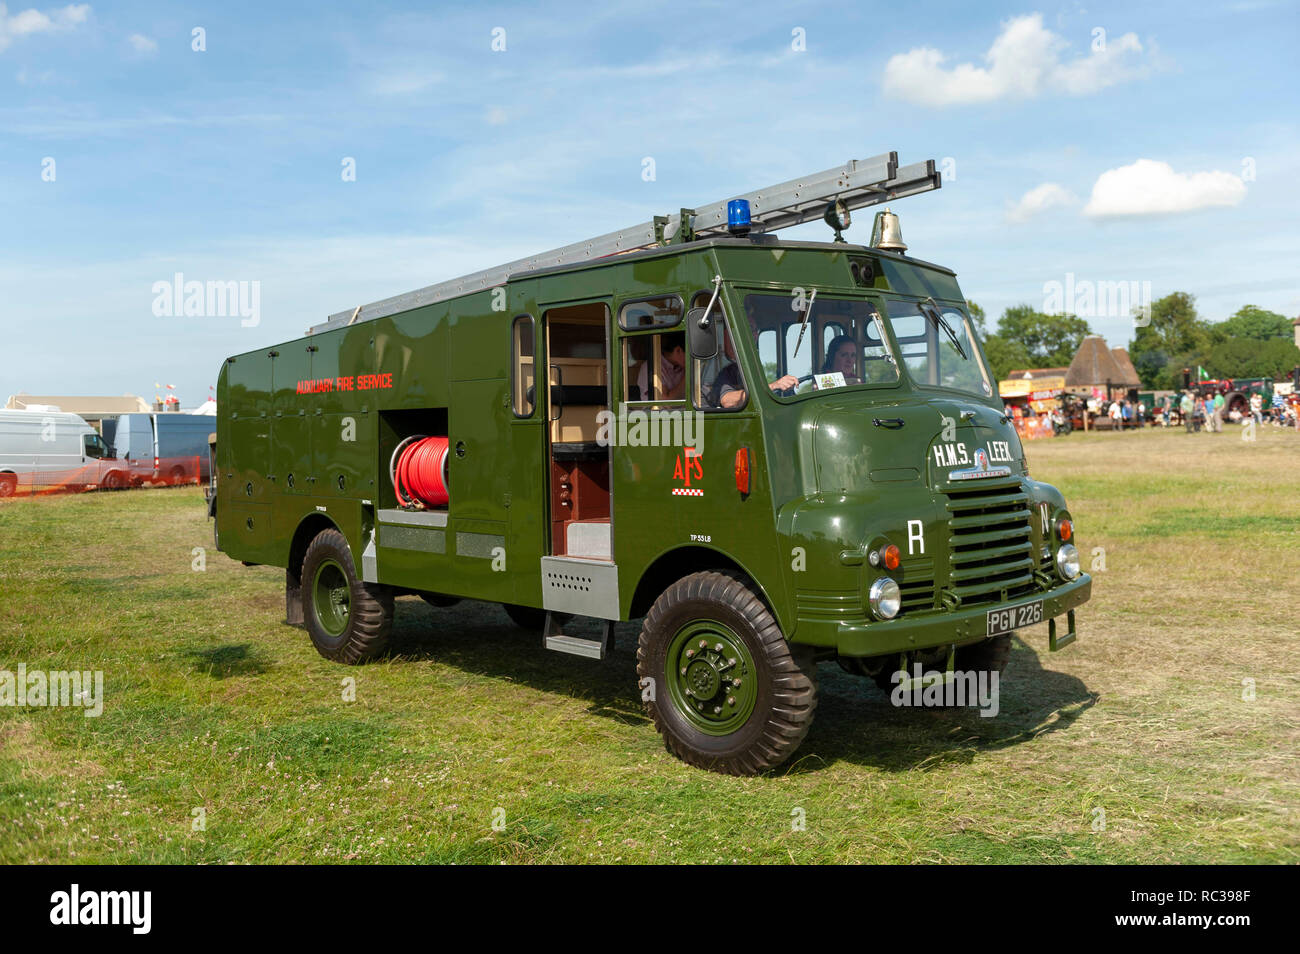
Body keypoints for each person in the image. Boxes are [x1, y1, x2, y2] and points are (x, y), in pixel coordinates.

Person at [636, 331, 686, 400]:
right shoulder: (651, 367)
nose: (691, 359)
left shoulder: (682, 367)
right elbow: (666, 403)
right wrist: (689, 377)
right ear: (678, 350)